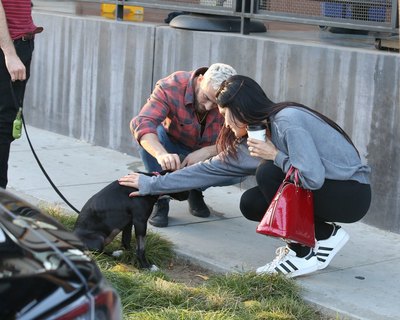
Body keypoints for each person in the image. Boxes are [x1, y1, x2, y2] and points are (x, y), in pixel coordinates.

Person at [120, 74, 371, 278]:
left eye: (226, 116)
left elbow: (312, 178)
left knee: (268, 172)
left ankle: (302, 254)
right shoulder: (257, 136)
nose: (225, 124)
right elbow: (207, 170)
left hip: (350, 194)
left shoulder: (287, 121)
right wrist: (152, 184)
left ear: (241, 110)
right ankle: (325, 235)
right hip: (326, 190)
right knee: (252, 204)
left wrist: (275, 156)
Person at [131, 63, 237, 228]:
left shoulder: (235, 96)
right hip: (173, 146)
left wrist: (208, 152)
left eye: (217, 104)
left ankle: (194, 188)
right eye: (207, 98)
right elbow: (143, 123)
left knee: (238, 170)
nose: (209, 107)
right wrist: (161, 154)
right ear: (200, 80)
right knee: (152, 135)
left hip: (210, 153)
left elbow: (244, 140)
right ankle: (161, 196)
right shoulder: (171, 86)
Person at [0, 0, 42, 189]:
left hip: (19, 43)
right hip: (8, 47)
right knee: (3, 124)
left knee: (6, 124)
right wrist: (9, 52)